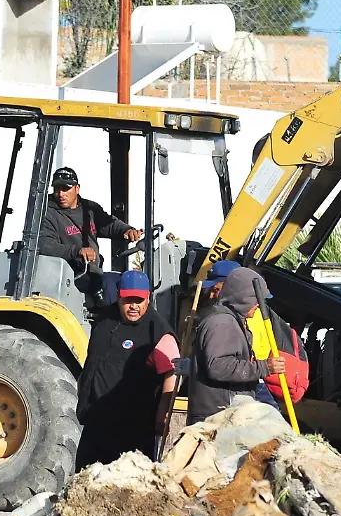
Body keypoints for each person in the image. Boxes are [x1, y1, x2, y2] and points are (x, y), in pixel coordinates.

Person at [76, 270, 179, 468]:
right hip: (95, 422)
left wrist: (162, 413)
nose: (133, 306)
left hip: (132, 429)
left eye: (138, 300)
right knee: (85, 479)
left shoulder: (157, 330)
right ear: (118, 296)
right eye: (127, 299)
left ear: (148, 299)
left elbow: (172, 372)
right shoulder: (105, 319)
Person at [187, 267, 286, 424]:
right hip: (216, 420)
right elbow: (218, 367)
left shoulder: (231, 320)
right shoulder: (223, 323)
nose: (260, 306)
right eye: (257, 300)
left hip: (224, 416)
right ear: (243, 297)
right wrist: (264, 367)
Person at [38, 167, 143, 293]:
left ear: (77, 188)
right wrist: (77, 252)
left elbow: (108, 224)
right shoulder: (47, 213)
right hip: (69, 278)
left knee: (131, 284)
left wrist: (127, 230)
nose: (61, 194)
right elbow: (46, 246)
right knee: (110, 291)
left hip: (92, 272)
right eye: (57, 189)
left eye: (66, 189)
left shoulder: (89, 208)